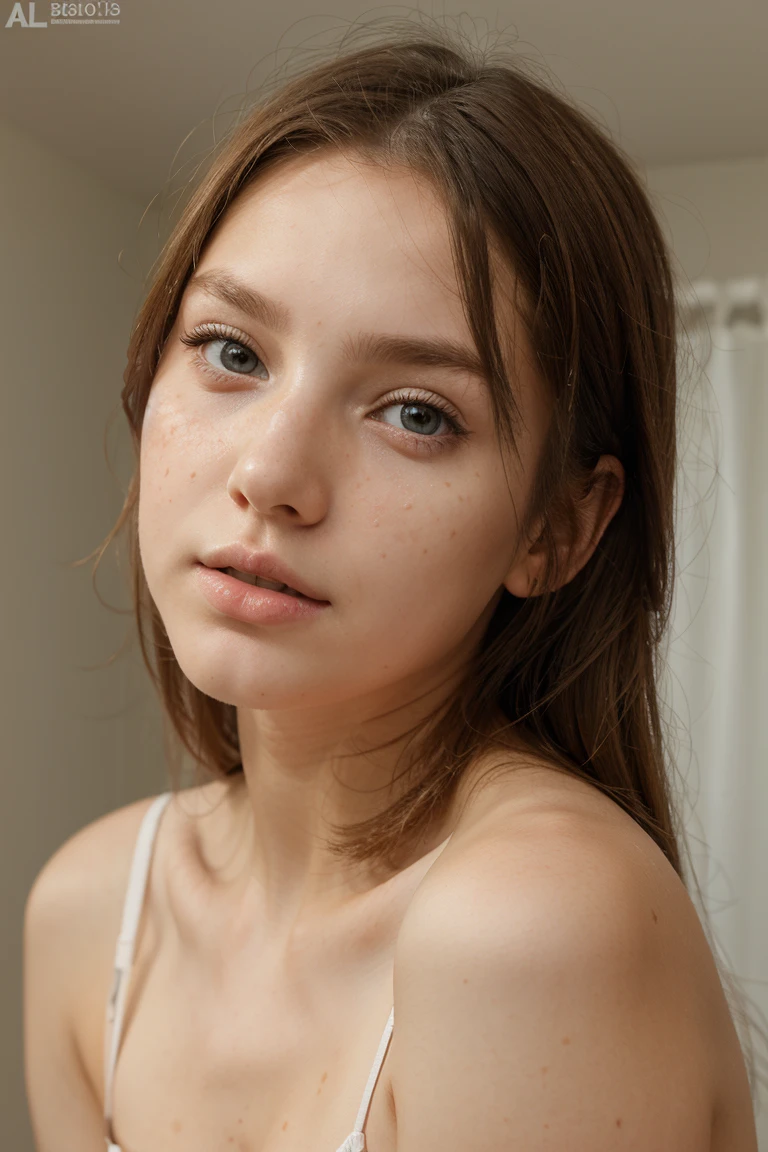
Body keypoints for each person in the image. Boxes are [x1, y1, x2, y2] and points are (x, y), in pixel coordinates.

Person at [23, 17, 760, 1152]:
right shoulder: (89, 910)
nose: (270, 474)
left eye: (417, 414)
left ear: (559, 529)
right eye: (230, 350)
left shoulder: (530, 930)